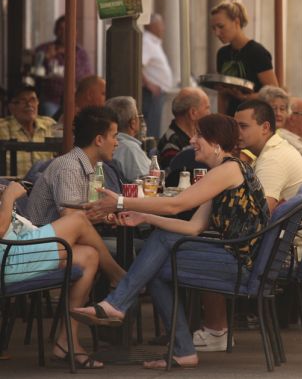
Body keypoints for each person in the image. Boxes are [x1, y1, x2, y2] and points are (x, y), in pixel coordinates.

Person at [72, 114, 270, 365]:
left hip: (239, 264)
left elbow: (177, 204)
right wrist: (144, 216)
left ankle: (119, 304)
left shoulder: (228, 169)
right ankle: (181, 350)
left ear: (216, 142)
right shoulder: (225, 170)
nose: (192, 139)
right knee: (154, 266)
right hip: (237, 258)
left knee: (158, 254)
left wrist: (121, 201)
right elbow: (193, 227)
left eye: (199, 135)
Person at [0, 181, 126, 369]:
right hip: (8, 260)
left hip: (17, 248)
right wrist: (8, 197)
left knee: (89, 256)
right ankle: (120, 278)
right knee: (77, 220)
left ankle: (67, 341)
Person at [235, 99, 302, 252]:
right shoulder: (275, 149)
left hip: (283, 255)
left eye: (243, 126)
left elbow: (257, 219)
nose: (237, 132)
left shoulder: (272, 159)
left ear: (265, 128)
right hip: (286, 249)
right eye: (235, 126)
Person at [26, 106, 119, 226]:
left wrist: (107, 216)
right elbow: (71, 220)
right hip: (47, 242)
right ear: (99, 140)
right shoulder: (69, 168)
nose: (117, 143)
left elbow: (85, 214)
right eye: (114, 137)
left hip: (66, 239)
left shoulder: (90, 165)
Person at [211, 1, 278, 115]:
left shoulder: (257, 52)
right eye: (214, 28)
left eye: (221, 26)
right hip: (231, 118)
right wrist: (221, 121)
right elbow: (222, 94)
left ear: (236, 22)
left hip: (255, 118)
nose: (217, 33)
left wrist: (247, 97)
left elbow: (274, 92)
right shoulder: (222, 54)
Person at [34, 15, 93, 117]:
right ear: (55, 31)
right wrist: (46, 59)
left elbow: (86, 78)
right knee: (51, 118)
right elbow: (35, 73)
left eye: (68, 29)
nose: (64, 33)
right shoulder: (44, 49)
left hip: (74, 100)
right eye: (60, 29)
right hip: (51, 99)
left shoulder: (80, 53)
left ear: (75, 32)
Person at [0, 86, 56, 177]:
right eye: (23, 101)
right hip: (12, 187)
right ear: (11, 107)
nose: (29, 104)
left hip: (45, 186)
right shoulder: (2, 128)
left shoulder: (49, 125)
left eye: (33, 100)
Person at [157, 87, 211, 169]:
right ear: (193, 113)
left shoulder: (199, 137)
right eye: (207, 108)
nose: (209, 113)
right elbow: (173, 177)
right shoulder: (171, 144)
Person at [142, 13, 174, 139]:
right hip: (152, 93)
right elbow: (138, 65)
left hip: (158, 93)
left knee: (155, 125)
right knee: (151, 127)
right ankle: (150, 155)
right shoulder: (147, 42)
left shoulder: (153, 42)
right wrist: (149, 84)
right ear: (152, 25)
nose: (163, 28)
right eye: (161, 24)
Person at [105, 96, 150, 182]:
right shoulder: (130, 148)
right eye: (139, 116)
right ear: (133, 123)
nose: (141, 120)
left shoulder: (105, 145)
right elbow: (148, 183)